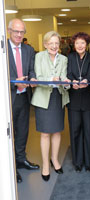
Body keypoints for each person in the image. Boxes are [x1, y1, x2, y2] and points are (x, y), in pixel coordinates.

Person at [31, 31, 70, 181]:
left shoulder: (64, 59)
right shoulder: (39, 57)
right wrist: (51, 79)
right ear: (45, 44)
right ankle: (46, 165)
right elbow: (39, 78)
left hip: (58, 97)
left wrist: (66, 83)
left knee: (57, 132)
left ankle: (54, 160)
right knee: (45, 133)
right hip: (43, 97)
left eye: (56, 43)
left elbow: (64, 76)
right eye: (50, 43)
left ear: (59, 45)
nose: (54, 46)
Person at [7, 18, 39, 183]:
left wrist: (32, 78)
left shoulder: (28, 50)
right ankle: (10, 165)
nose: (19, 35)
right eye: (16, 31)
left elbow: (31, 69)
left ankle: (21, 159)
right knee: (9, 135)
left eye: (22, 32)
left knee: (23, 130)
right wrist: (13, 81)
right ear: (9, 30)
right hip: (8, 98)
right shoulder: (2, 48)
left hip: (24, 96)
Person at [67, 32, 90, 172]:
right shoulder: (69, 58)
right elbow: (66, 74)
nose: (80, 45)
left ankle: (89, 161)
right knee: (75, 131)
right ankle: (78, 162)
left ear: (87, 44)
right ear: (74, 44)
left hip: (89, 99)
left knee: (89, 130)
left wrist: (88, 80)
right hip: (73, 99)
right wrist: (71, 81)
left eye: (82, 43)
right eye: (77, 43)